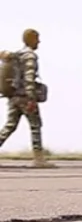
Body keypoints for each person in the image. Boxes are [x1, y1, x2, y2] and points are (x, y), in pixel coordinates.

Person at [0, 28, 54, 168]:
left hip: (13, 97)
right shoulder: (30, 56)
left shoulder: (16, 55)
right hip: (25, 97)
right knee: (35, 126)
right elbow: (29, 77)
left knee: (9, 126)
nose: (39, 42)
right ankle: (39, 159)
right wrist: (31, 98)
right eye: (37, 39)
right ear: (31, 39)